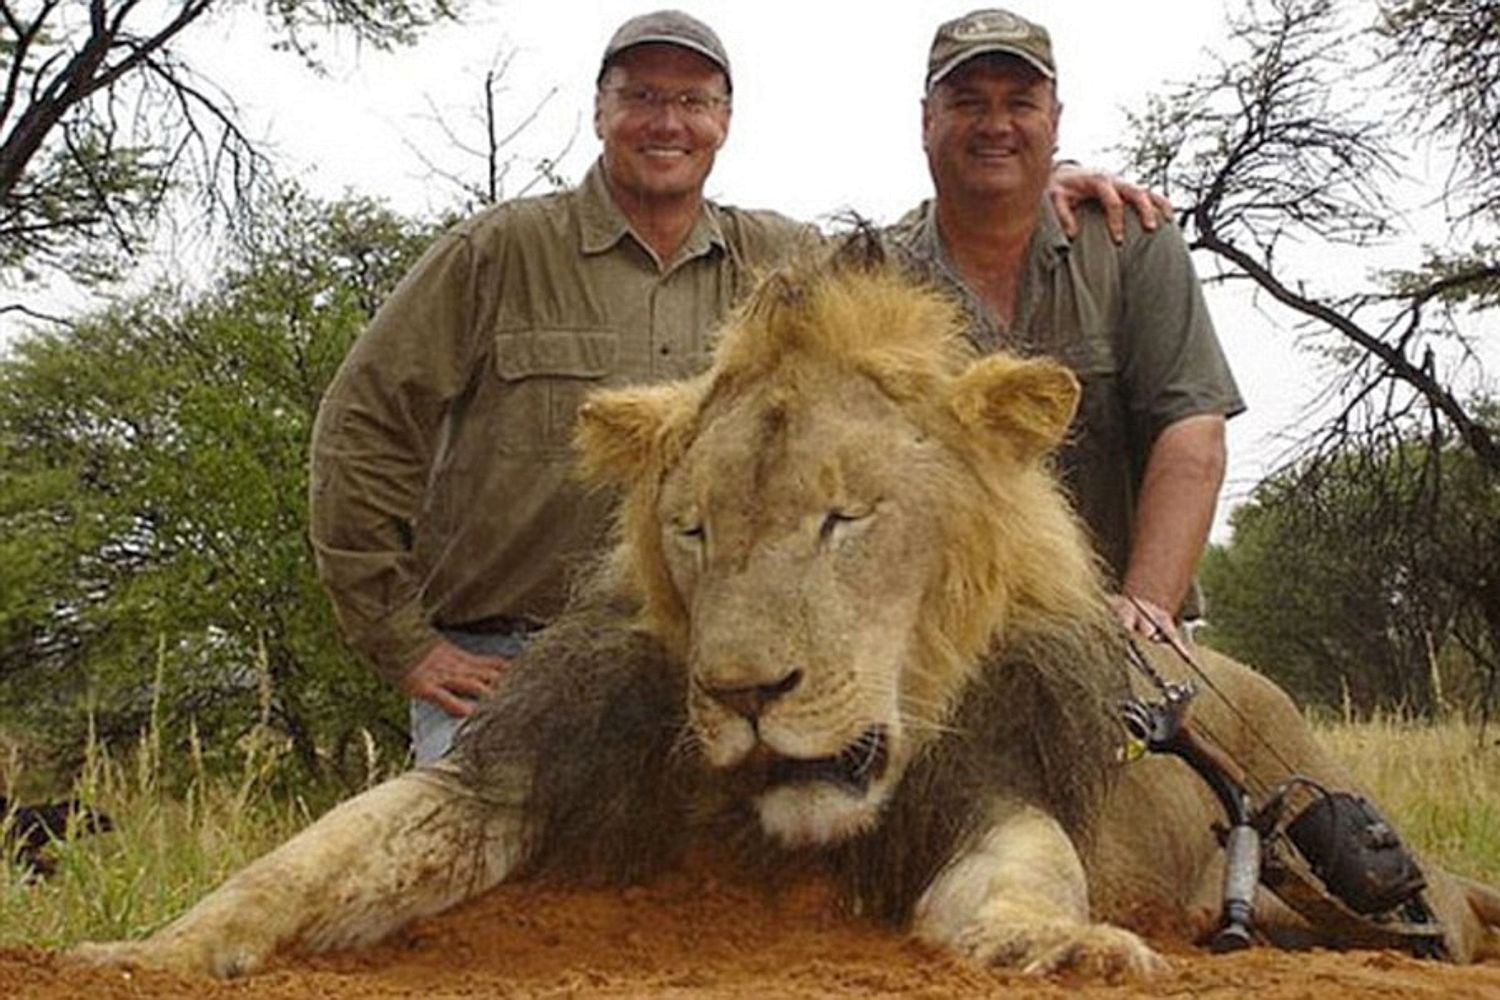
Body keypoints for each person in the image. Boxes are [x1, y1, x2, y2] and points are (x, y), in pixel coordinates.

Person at [311, 9, 1168, 765]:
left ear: (724, 121)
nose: (667, 122)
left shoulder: (783, 264)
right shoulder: (495, 253)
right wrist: (405, 645)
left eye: (693, 102)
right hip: (500, 657)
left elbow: (907, 299)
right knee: (472, 863)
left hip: (682, 652)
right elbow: (362, 430)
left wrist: (1025, 185)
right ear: (600, 110)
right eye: (642, 96)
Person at [888, 8, 1245, 638]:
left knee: (1250, 731)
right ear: (925, 122)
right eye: (968, 102)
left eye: (1020, 103)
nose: (995, 124)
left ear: (1054, 122)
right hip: (938, 638)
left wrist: (1146, 611)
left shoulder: (1135, 241)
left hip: (1116, 623)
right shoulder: (876, 273)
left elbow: (1193, 433)